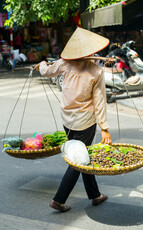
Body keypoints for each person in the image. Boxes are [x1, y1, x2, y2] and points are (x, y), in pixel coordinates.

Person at [35, 27, 112, 212]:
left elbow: (47, 71)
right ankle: (59, 200)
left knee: (82, 154)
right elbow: (100, 101)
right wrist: (104, 127)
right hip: (85, 122)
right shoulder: (96, 71)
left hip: (67, 120)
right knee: (79, 160)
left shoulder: (64, 63)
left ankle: (95, 195)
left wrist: (42, 64)